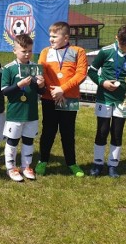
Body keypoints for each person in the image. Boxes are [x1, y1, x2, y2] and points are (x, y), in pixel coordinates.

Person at [87, 25, 126, 178]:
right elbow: (91, 71)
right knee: (102, 131)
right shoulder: (105, 52)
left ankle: (113, 165)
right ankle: (98, 163)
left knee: (117, 133)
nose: (125, 49)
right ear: (116, 39)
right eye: (122, 46)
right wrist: (102, 82)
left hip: (122, 102)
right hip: (104, 99)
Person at [36, 21, 88, 177]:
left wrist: (62, 89)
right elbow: (41, 71)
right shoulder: (45, 52)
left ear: (66, 37)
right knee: (48, 131)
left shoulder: (78, 51)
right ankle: (43, 161)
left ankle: (72, 163)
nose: (51, 39)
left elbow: (81, 74)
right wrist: (48, 87)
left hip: (69, 99)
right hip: (49, 98)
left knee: (68, 132)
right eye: (50, 36)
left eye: (54, 36)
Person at [1, 34, 46, 182]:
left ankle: (26, 166)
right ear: (14, 50)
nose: (27, 54)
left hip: (31, 113)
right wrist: (19, 85)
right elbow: (4, 91)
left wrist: (41, 85)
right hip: (15, 113)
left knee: (28, 140)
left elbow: (41, 92)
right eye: (23, 51)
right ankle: (11, 168)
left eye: (30, 51)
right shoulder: (8, 69)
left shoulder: (34, 68)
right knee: (12, 141)